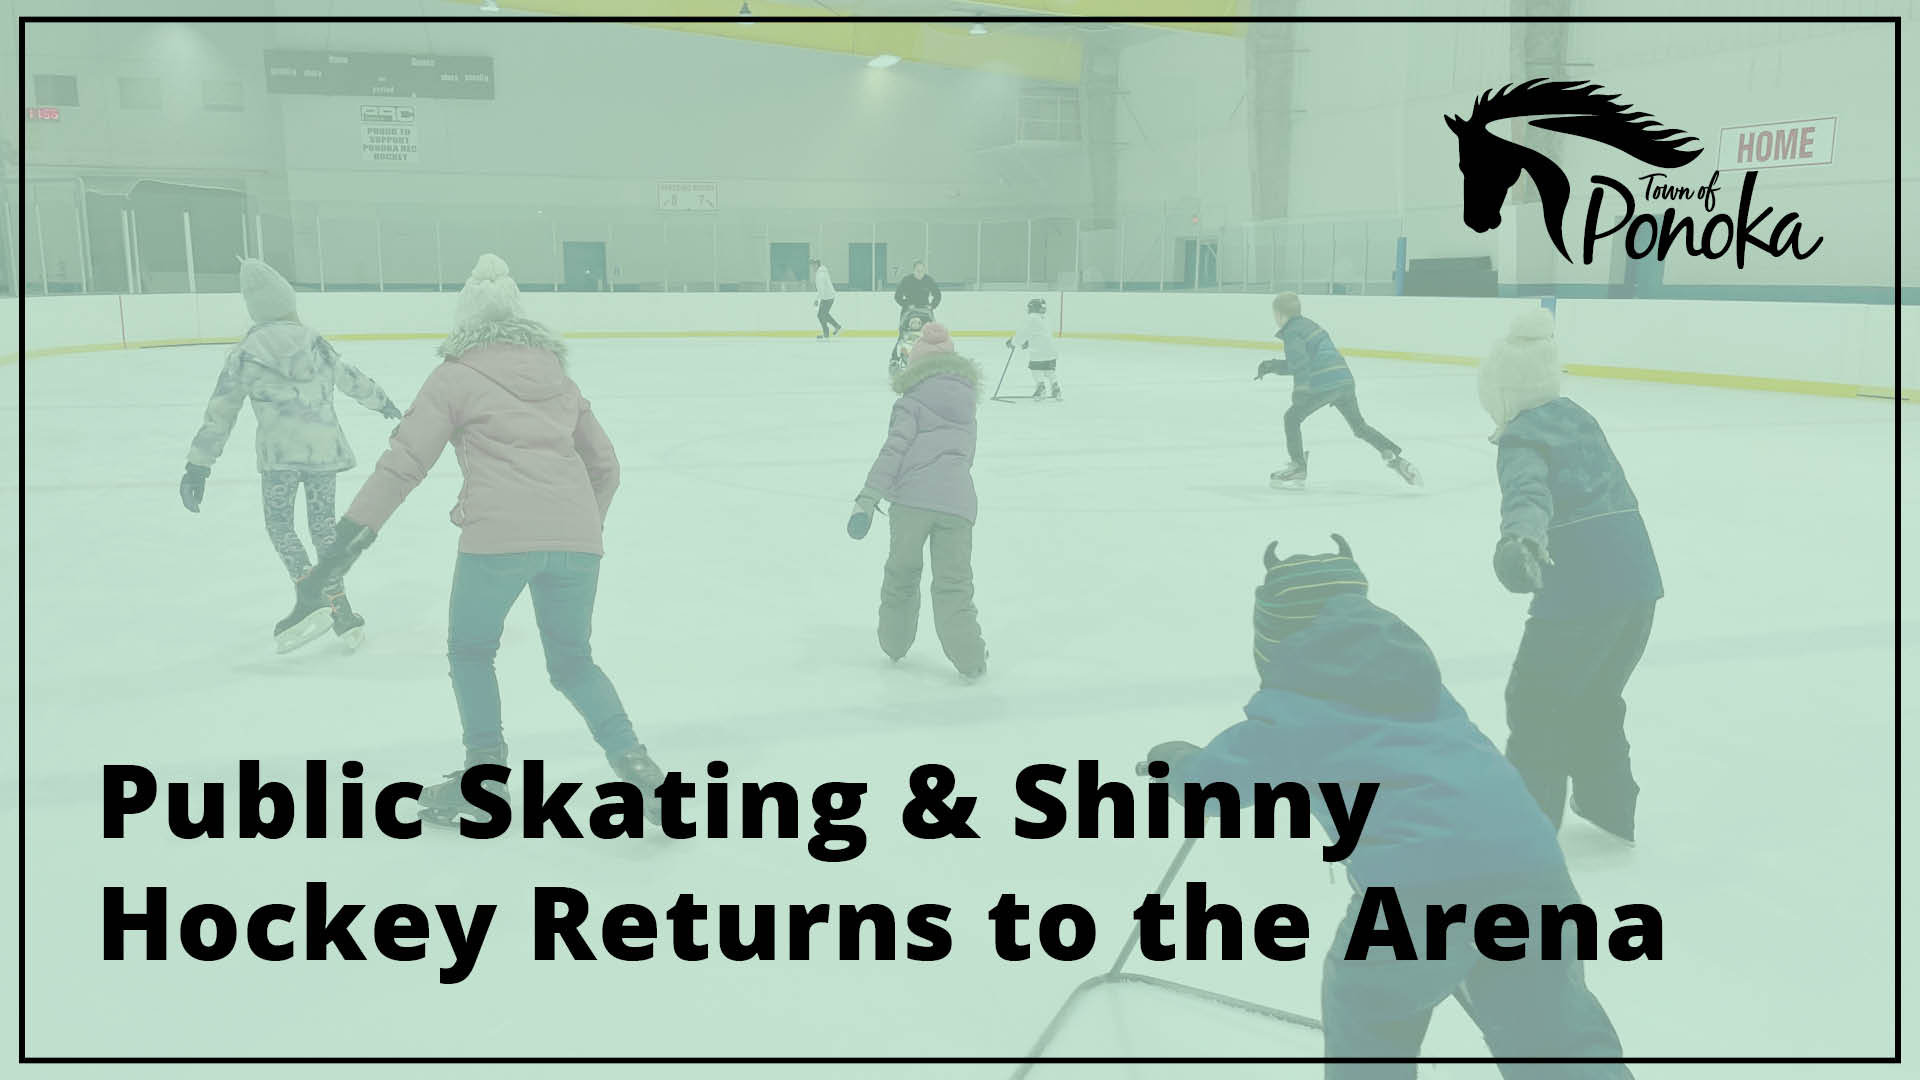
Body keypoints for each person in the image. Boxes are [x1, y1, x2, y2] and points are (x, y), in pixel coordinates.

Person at [1145, 536, 1633, 1077]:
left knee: (1369, 1010)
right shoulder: (1424, 687)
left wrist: (1173, 760)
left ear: (1272, 641)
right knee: (1553, 1033)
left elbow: (1214, 789)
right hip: (1536, 875)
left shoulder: (1290, 712)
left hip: (1418, 898)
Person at [276, 254, 667, 826]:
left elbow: (403, 465)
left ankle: (483, 780)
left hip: (498, 542)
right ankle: (640, 771)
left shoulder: (455, 376)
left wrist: (340, 552)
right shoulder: (561, 379)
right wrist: (581, 526)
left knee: (472, 651)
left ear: (465, 325)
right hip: (577, 544)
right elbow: (605, 465)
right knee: (574, 662)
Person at [1481, 307, 1661, 842]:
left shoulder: (1522, 438)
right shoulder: (1579, 418)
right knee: (1595, 696)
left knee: (1534, 700)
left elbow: (1528, 495)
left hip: (1582, 587)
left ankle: (1524, 832)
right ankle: (1611, 809)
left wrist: (1520, 543)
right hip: (1638, 582)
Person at [179, 257, 403, 653]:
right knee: (324, 533)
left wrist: (199, 464)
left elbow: (221, 412)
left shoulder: (246, 353)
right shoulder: (313, 342)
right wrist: (381, 402)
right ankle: (341, 610)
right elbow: (350, 377)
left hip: (280, 457)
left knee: (281, 526)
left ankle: (309, 593)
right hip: (322, 453)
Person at [846, 322, 988, 680]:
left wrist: (867, 497)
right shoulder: (967, 405)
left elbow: (893, 452)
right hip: (958, 503)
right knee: (954, 585)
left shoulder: (909, 403)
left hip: (910, 502)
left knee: (902, 574)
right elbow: (965, 456)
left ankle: (894, 644)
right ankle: (971, 660)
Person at [1257, 292, 1420, 490]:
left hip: (1326, 383)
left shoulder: (1292, 331)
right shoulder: (1309, 326)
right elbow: (1306, 359)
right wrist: (1274, 366)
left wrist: (1300, 390)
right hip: (1344, 380)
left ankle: (1298, 465)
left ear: (1280, 315)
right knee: (1360, 427)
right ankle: (1396, 458)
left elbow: (1300, 362)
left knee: (1291, 417)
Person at [1005, 297, 1061, 401]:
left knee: (1036, 369)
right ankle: (1056, 387)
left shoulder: (1031, 318)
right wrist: (1028, 341)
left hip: (1038, 350)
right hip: (1051, 350)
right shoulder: (1045, 318)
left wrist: (1013, 342)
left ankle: (1041, 389)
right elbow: (1039, 333)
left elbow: (1022, 333)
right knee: (1048, 369)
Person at [811, 258, 841, 340]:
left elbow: (821, 289)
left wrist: (817, 300)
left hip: (827, 297)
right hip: (828, 296)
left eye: (813, 265)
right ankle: (836, 327)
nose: (812, 267)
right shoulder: (821, 272)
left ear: (817, 265)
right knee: (823, 314)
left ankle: (827, 333)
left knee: (821, 315)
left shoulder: (820, 275)